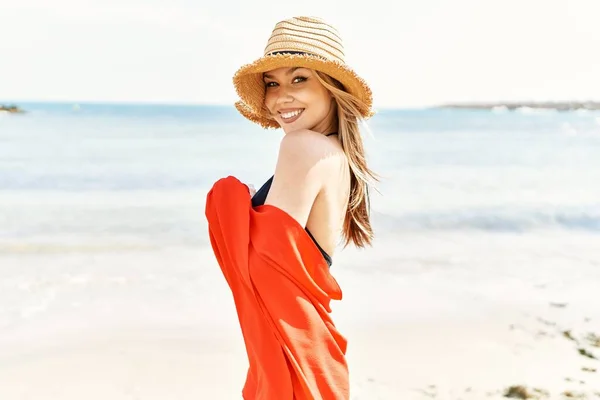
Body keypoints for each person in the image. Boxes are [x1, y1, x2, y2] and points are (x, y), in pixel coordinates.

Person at [205, 16, 377, 399]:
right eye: (272, 83)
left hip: (291, 363)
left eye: (299, 79)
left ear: (332, 88)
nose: (281, 96)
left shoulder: (302, 147)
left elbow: (264, 269)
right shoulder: (337, 155)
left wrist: (227, 198)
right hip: (309, 354)